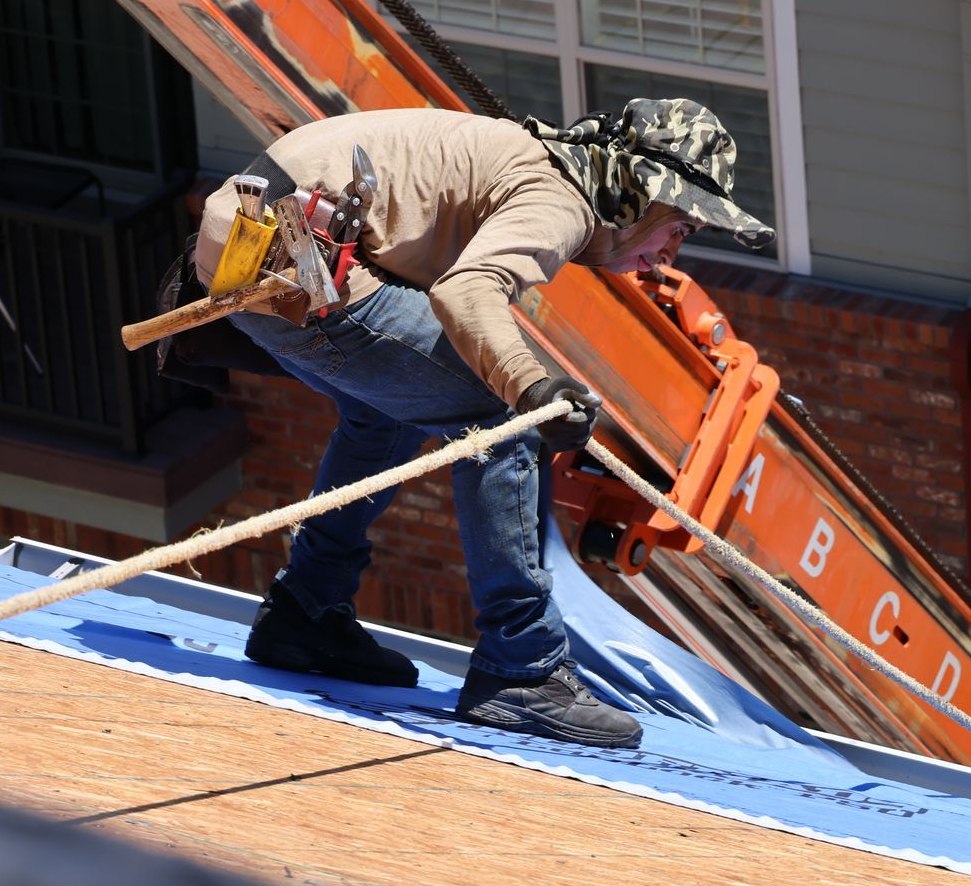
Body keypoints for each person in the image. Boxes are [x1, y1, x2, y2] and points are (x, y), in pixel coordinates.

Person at [195, 98, 774, 749]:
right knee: (500, 416)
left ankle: (305, 611)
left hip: (247, 250)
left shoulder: (544, 168)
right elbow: (465, 292)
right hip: (294, 254)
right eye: (680, 227)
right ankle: (520, 667)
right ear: (644, 194)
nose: (671, 253)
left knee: (386, 414)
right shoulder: (562, 198)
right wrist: (533, 388)